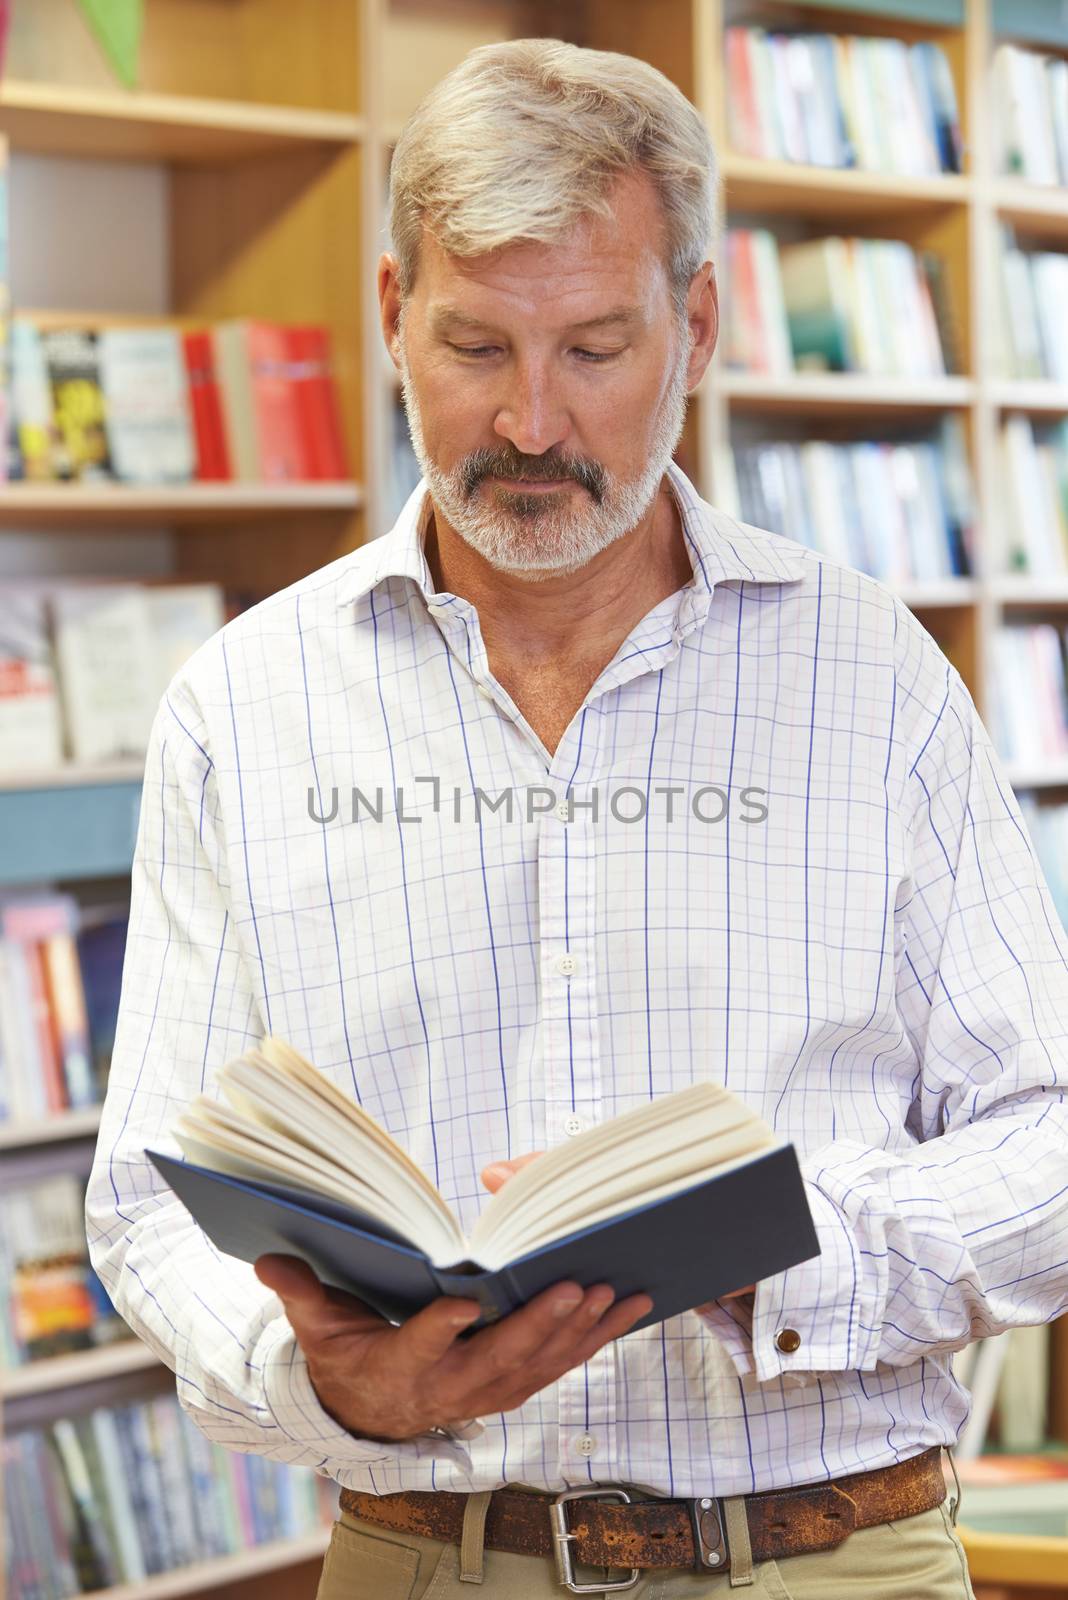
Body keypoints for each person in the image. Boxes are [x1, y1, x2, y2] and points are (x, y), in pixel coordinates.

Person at [85, 36, 1068, 1600]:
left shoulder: (872, 673)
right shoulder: (242, 705)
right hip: (424, 1558)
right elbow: (145, 1192)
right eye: (477, 348)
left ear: (696, 324)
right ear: (393, 312)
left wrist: (803, 1259)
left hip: (830, 1558)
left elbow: (1051, 1137)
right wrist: (322, 1379)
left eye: (596, 349)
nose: (533, 424)